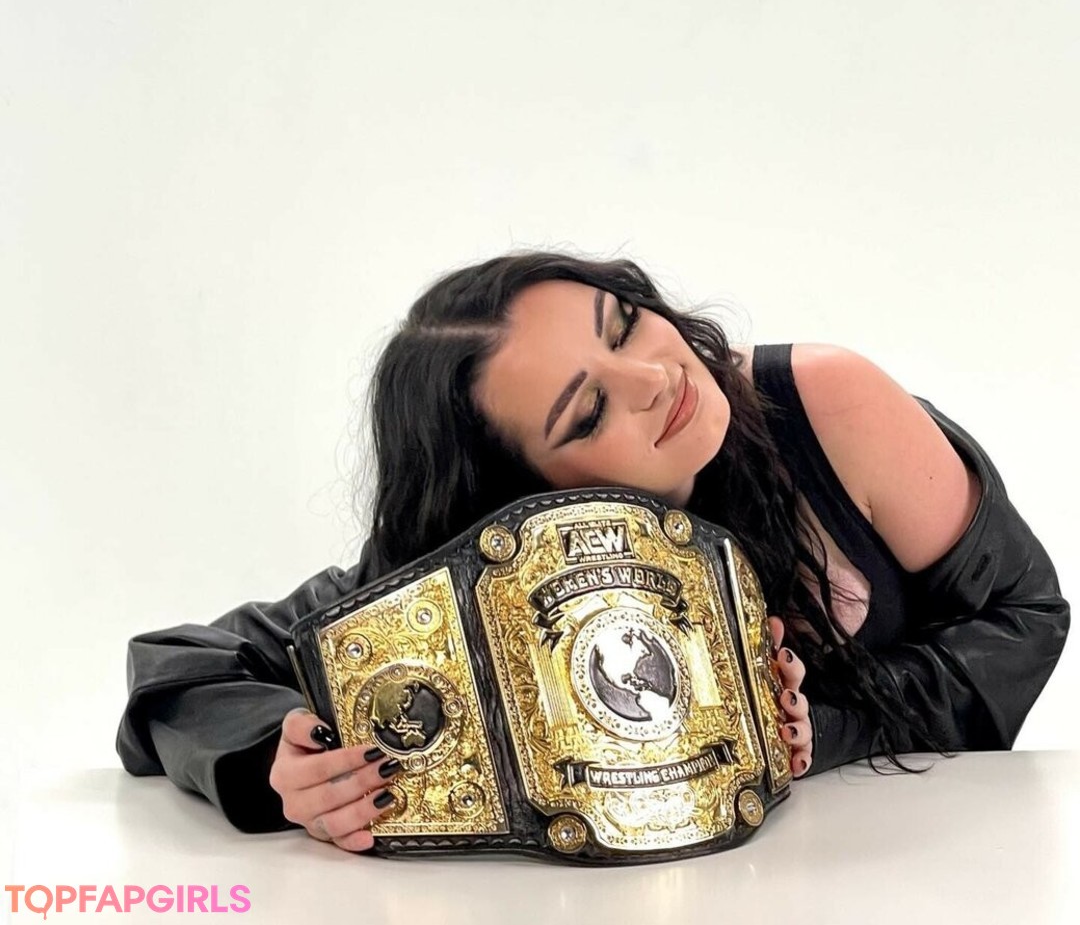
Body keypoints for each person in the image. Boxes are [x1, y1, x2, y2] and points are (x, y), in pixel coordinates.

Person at [117, 250, 1070, 854]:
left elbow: (1025, 615)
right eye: (586, 412)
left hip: (936, 873)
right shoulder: (490, 567)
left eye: (622, 322)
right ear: (523, 497)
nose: (655, 374)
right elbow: (183, 660)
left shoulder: (827, 405)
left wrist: (826, 730)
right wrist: (279, 764)